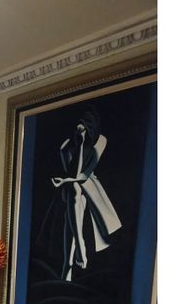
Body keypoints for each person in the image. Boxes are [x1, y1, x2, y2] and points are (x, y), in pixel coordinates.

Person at [34, 109, 122, 281]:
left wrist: (82, 147)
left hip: (89, 188)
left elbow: (83, 175)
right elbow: (73, 172)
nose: (78, 132)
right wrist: (78, 146)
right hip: (70, 188)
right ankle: (77, 250)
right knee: (73, 191)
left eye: (82, 129)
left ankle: (70, 262)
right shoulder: (66, 147)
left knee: (74, 190)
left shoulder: (101, 141)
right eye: (77, 129)